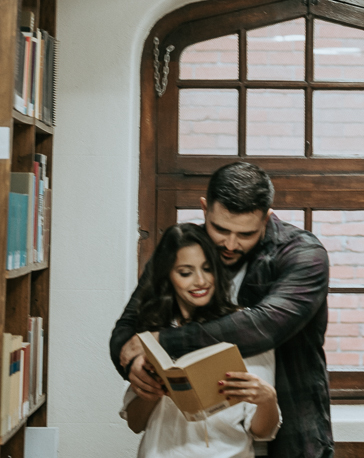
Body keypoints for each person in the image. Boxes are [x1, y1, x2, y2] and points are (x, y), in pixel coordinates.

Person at [111, 163, 332, 458]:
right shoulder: (185, 249)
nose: (230, 244)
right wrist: (134, 366)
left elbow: (263, 326)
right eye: (220, 229)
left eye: (246, 234)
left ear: (266, 217)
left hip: (292, 429)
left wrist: (162, 341)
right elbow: (129, 327)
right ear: (205, 209)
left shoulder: (303, 254)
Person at [121, 222, 280, 458]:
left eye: (207, 269)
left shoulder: (244, 328)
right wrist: (153, 389)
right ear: (168, 277)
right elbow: (136, 424)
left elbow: (262, 431)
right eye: (185, 272)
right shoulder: (151, 331)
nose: (201, 281)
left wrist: (268, 400)